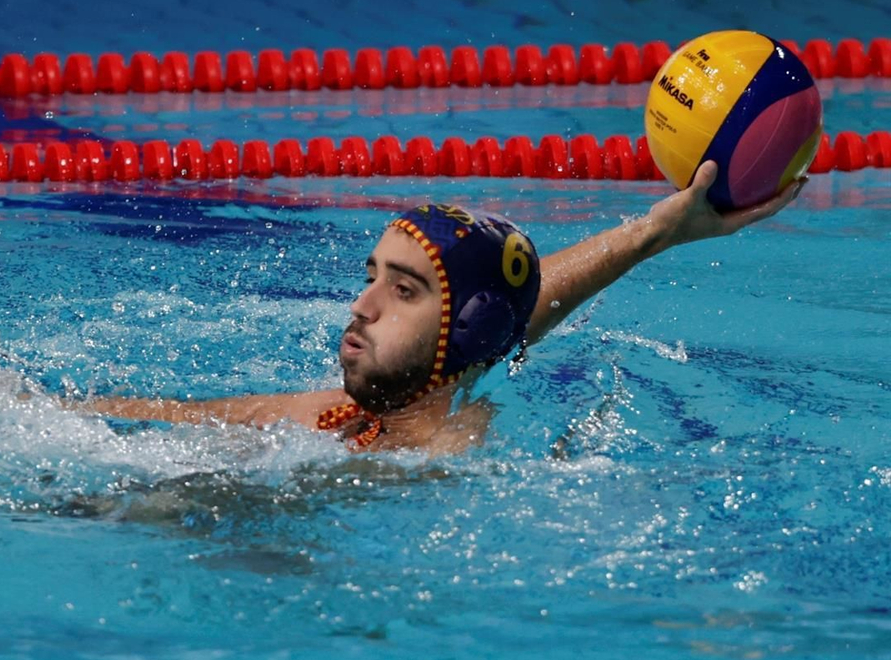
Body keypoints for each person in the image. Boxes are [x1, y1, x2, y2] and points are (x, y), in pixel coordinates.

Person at [84, 170, 804, 452]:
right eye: (372, 277)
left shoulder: (441, 459)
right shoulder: (345, 411)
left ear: (464, 332)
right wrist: (653, 232)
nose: (360, 306)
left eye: (402, 289)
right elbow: (169, 414)